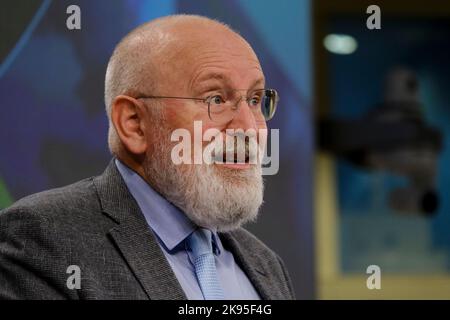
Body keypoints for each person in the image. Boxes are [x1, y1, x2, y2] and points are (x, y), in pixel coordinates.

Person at [0, 14, 294, 300]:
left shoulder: (266, 265)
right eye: (215, 99)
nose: (250, 128)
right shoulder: (43, 239)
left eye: (256, 100)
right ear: (134, 123)